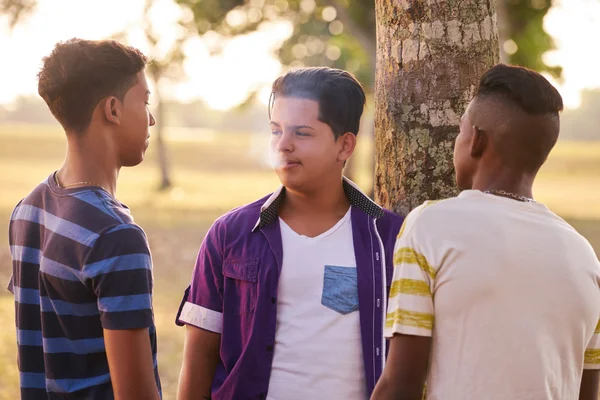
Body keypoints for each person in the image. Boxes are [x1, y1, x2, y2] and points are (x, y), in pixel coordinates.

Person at [371, 64, 600, 400]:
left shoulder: (431, 227)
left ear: (475, 140)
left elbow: (400, 384)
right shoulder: (585, 257)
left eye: (461, 132)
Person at [176, 67, 404, 400]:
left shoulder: (389, 240)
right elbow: (198, 358)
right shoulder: (230, 235)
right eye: (275, 131)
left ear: (345, 145)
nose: (283, 145)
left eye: (302, 133)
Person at [7, 38, 161, 399]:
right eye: (145, 101)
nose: (151, 117)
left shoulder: (28, 208)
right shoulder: (115, 236)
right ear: (113, 109)